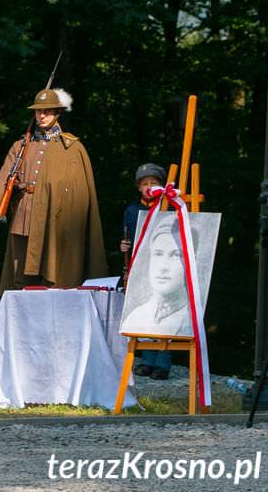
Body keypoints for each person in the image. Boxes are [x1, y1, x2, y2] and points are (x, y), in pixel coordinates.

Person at [0, 87, 108, 293]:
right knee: (20, 278)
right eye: (38, 111)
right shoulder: (20, 146)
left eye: (48, 111)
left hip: (55, 221)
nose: (41, 116)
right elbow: (5, 177)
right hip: (24, 218)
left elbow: (79, 194)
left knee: (54, 277)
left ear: (57, 113)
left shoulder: (71, 148)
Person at [119, 163, 172, 380]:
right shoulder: (132, 210)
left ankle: (163, 363)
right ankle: (147, 360)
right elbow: (128, 238)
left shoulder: (169, 207)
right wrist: (123, 247)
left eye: (154, 183)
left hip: (164, 269)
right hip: (139, 269)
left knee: (164, 315)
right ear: (138, 187)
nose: (149, 187)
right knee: (146, 315)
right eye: (145, 184)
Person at [120, 220, 193, 340]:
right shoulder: (136, 316)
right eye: (158, 254)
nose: (163, 267)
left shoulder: (191, 318)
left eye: (175, 255)